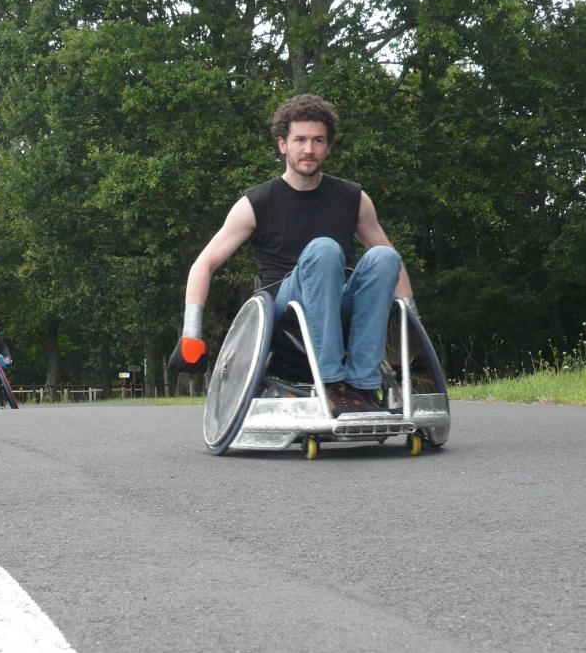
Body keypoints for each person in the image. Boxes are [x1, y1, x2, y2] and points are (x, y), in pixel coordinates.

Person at [170, 93, 415, 415]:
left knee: (385, 257)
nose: (309, 149)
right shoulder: (256, 203)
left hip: (339, 296)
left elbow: (391, 264)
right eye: (300, 139)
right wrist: (192, 333)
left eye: (318, 140)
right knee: (325, 250)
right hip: (286, 303)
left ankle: (361, 385)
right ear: (282, 144)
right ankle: (330, 383)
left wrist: (413, 325)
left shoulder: (353, 198)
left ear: (328, 146)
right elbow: (205, 263)